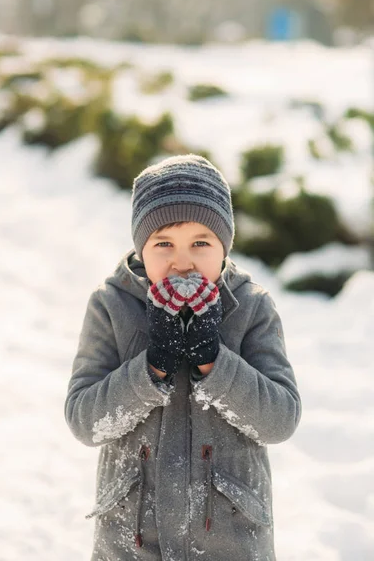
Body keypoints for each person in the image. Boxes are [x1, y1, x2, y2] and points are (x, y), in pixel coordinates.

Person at [64, 154, 302, 561]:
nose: (182, 260)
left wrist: (215, 362)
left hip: (229, 540)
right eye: (163, 244)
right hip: (134, 540)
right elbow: (85, 421)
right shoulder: (112, 306)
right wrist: (151, 367)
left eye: (201, 243)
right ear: (141, 247)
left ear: (224, 246)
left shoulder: (250, 307)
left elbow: (279, 420)